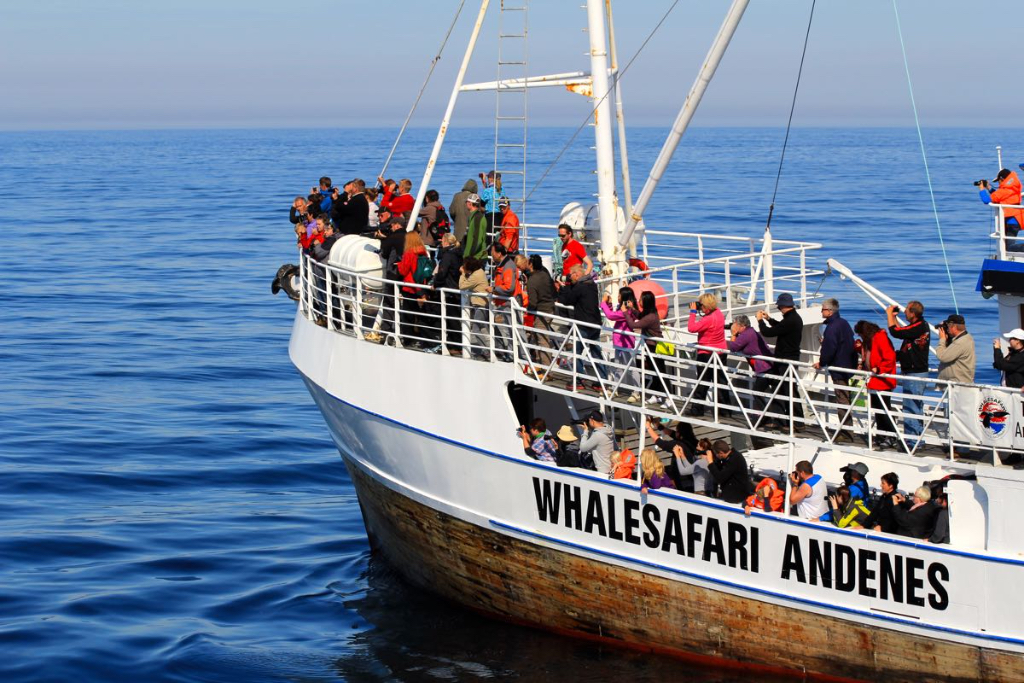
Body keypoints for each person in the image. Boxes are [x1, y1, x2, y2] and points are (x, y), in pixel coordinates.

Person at [756, 293, 805, 431]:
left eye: (779, 307)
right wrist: (769, 319)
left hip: (787, 360)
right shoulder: (793, 318)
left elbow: (768, 333)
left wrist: (760, 321)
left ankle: (797, 422)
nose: (779, 309)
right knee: (781, 389)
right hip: (786, 359)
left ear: (783, 306)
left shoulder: (790, 320)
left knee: (789, 390)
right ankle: (782, 421)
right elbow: (780, 328)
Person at [886, 301, 931, 445]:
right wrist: (894, 317)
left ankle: (912, 442)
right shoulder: (918, 326)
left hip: (915, 372)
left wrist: (889, 315)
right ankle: (916, 440)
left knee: (911, 408)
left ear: (913, 313)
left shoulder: (919, 327)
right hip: (915, 371)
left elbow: (895, 332)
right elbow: (903, 331)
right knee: (915, 407)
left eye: (906, 310)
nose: (904, 312)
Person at [814, 298, 858, 442]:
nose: (821, 311)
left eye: (823, 309)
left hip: (839, 367)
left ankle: (846, 432)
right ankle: (847, 430)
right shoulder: (843, 323)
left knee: (842, 399)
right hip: (847, 365)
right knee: (845, 397)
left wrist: (822, 362)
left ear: (830, 311)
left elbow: (830, 349)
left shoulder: (832, 328)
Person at [556, 263, 605, 390]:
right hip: (595, 323)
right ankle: (602, 380)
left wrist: (563, 288)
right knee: (596, 352)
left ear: (577, 275)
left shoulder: (579, 287)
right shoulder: (591, 284)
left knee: (576, 352)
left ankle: (579, 379)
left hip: (583, 324)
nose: (569, 277)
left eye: (571, 275)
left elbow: (567, 300)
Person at [854, 320, 899, 450]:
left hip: (882, 380)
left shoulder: (880, 338)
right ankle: (882, 435)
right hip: (874, 380)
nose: (860, 337)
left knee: (884, 409)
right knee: (878, 410)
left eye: (860, 334)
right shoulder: (870, 340)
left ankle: (890, 436)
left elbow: (889, 357)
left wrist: (879, 369)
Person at [624, 290, 671, 409]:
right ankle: (657, 395)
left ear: (646, 302)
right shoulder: (649, 313)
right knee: (655, 371)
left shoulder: (650, 317)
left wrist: (625, 313)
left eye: (641, 299)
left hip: (655, 347)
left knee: (661, 373)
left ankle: (669, 398)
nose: (639, 301)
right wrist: (632, 308)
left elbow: (634, 325)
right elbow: (640, 316)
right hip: (650, 346)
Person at [686, 293, 728, 417]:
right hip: (720, 352)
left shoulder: (708, 319)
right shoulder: (719, 313)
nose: (700, 307)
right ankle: (725, 410)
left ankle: (697, 409)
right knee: (721, 382)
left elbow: (691, 328)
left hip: (707, 353)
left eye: (701, 305)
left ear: (705, 306)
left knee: (702, 382)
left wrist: (693, 312)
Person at [601, 287, 642, 402]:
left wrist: (603, 303)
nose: (617, 297)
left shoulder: (627, 311)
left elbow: (611, 316)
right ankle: (615, 388)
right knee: (618, 367)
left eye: (619, 295)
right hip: (620, 342)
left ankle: (636, 392)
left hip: (626, 343)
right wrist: (609, 305)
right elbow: (614, 314)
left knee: (631, 368)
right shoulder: (624, 309)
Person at [728, 314, 772, 414]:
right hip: (767, 366)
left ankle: (766, 417)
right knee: (762, 392)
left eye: (735, 324)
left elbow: (733, 347)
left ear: (741, 326)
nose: (733, 326)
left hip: (764, 367)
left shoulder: (746, 335)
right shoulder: (750, 331)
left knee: (757, 391)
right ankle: (766, 416)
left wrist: (733, 335)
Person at [396, 231, 432, 347]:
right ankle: (424, 338)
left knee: (408, 315)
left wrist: (399, 264)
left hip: (410, 287)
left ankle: (408, 340)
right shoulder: (423, 251)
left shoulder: (409, 253)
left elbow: (403, 271)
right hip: (421, 286)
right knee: (420, 314)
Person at [489, 242, 524, 361]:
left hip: (510, 302)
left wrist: (494, 289)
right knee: (511, 330)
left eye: (492, 252)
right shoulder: (503, 264)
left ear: (499, 253)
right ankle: (512, 355)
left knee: (515, 330)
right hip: (506, 302)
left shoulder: (507, 266)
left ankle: (522, 356)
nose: (491, 254)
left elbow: (509, 288)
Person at [977, 168, 1024, 252]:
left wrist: (981, 189)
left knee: (1008, 248)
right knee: (1007, 245)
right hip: (1016, 220)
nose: (998, 183)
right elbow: (998, 196)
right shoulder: (1013, 188)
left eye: (998, 181)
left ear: (1002, 179)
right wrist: (989, 188)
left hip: (1012, 222)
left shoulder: (1004, 191)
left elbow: (986, 200)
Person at [432, 233, 464, 355]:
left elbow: (442, 272)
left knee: (451, 319)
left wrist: (435, 283)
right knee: (453, 317)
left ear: (445, 242)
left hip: (449, 289)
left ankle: (456, 345)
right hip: (455, 288)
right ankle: (454, 343)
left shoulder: (448, 256)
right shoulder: (458, 254)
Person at [524, 254, 556, 369]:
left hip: (542, 312)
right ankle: (539, 363)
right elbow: (553, 291)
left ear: (531, 265)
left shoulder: (532, 280)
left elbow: (533, 302)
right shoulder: (545, 275)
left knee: (542, 339)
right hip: (551, 309)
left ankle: (547, 369)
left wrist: (528, 311)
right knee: (538, 337)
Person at [458, 257, 490, 359]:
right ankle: (493, 348)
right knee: (483, 328)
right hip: (483, 304)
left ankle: (486, 351)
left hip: (480, 305)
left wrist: (463, 274)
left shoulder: (475, 276)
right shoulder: (480, 271)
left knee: (476, 329)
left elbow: (462, 286)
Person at [936, 314, 976, 384]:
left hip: (957, 385)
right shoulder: (966, 337)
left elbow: (942, 357)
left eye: (948, 326)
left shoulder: (960, 343)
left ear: (954, 327)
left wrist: (942, 340)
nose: (947, 329)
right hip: (956, 384)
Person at [578, 411, 615, 476]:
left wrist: (585, 431)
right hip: (610, 468)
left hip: (602, 472)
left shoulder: (597, 435)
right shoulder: (609, 430)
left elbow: (582, 448)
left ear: (592, 420)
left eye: (589, 420)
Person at [462, 193, 489, 261]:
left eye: (467, 202)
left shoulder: (477, 218)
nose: (466, 204)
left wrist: (470, 256)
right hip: (475, 256)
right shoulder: (474, 217)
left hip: (476, 258)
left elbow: (478, 240)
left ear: (470, 204)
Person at [479, 170, 503, 235]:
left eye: (488, 177)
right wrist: (484, 183)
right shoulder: (502, 189)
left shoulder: (487, 191)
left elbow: (482, 205)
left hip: (490, 217)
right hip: (500, 217)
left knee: (490, 237)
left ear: (491, 179)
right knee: (498, 236)